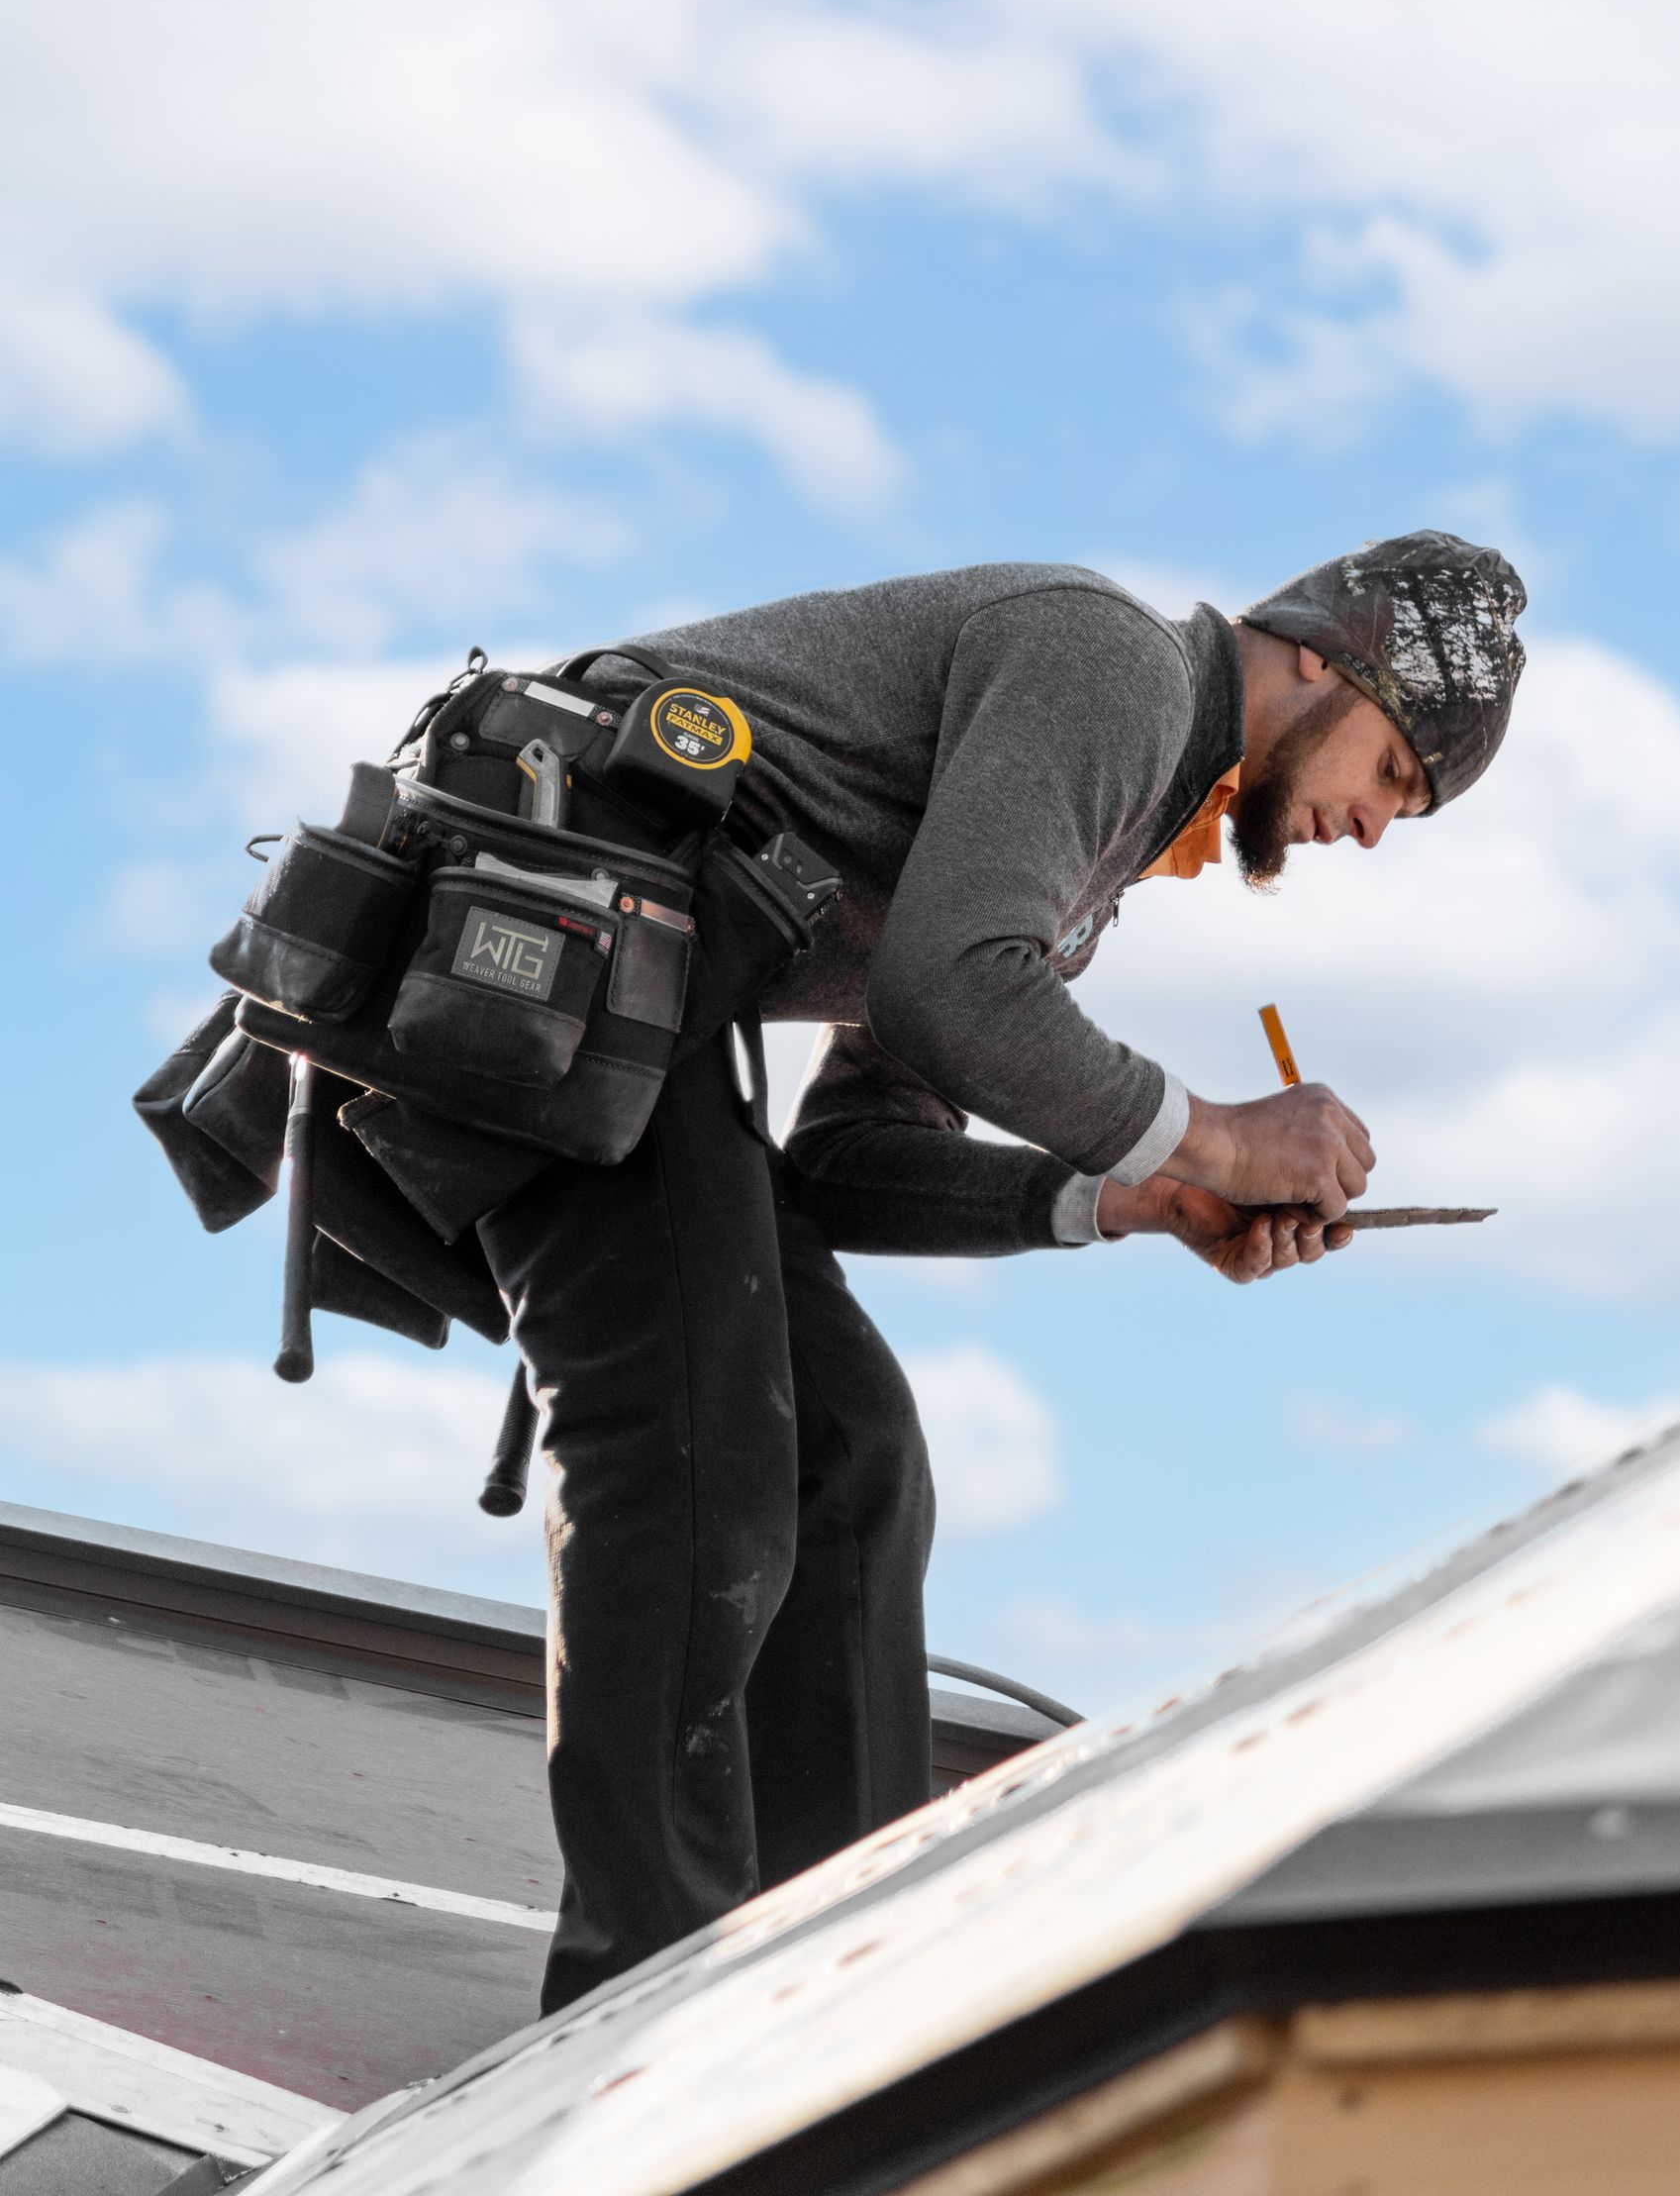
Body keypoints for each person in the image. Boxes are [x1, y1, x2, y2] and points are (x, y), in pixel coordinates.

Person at [479, 532, 1527, 2008]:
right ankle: (626, 2013)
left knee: (852, 1456)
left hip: (640, 1014)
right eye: (1397, 771)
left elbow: (849, 1151)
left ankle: (821, 1999)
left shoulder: (1099, 862)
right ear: (1316, 655)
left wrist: (1139, 1196)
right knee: (701, 1444)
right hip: (537, 953)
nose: (1376, 823)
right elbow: (953, 982)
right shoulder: (1111, 665)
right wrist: (1218, 1136)